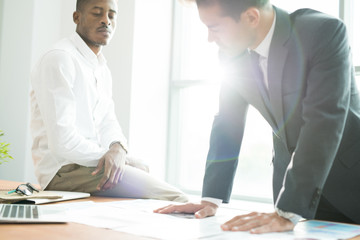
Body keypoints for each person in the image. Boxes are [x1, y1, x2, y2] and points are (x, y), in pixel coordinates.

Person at [155, 0, 359, 233]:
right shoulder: (232, 54)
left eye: (215, 27)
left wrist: (289, 209)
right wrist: (211, 199)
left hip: (350, 180)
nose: (210, 38)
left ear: (251, 17)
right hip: (293, 194)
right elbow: (227, 122)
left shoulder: (323, 32)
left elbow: (323, 120)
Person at [30, 0, 187, 202]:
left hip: (90, 165)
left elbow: (108, 121)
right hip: (64, 171)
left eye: (111, 15)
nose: (106, 21)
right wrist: (113, 158)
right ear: (76, 17)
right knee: (176, 198)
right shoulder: (60, 58)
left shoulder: (101, 68)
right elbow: (62, 142)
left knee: (143, 166)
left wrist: (118, 149)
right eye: (97, 13)